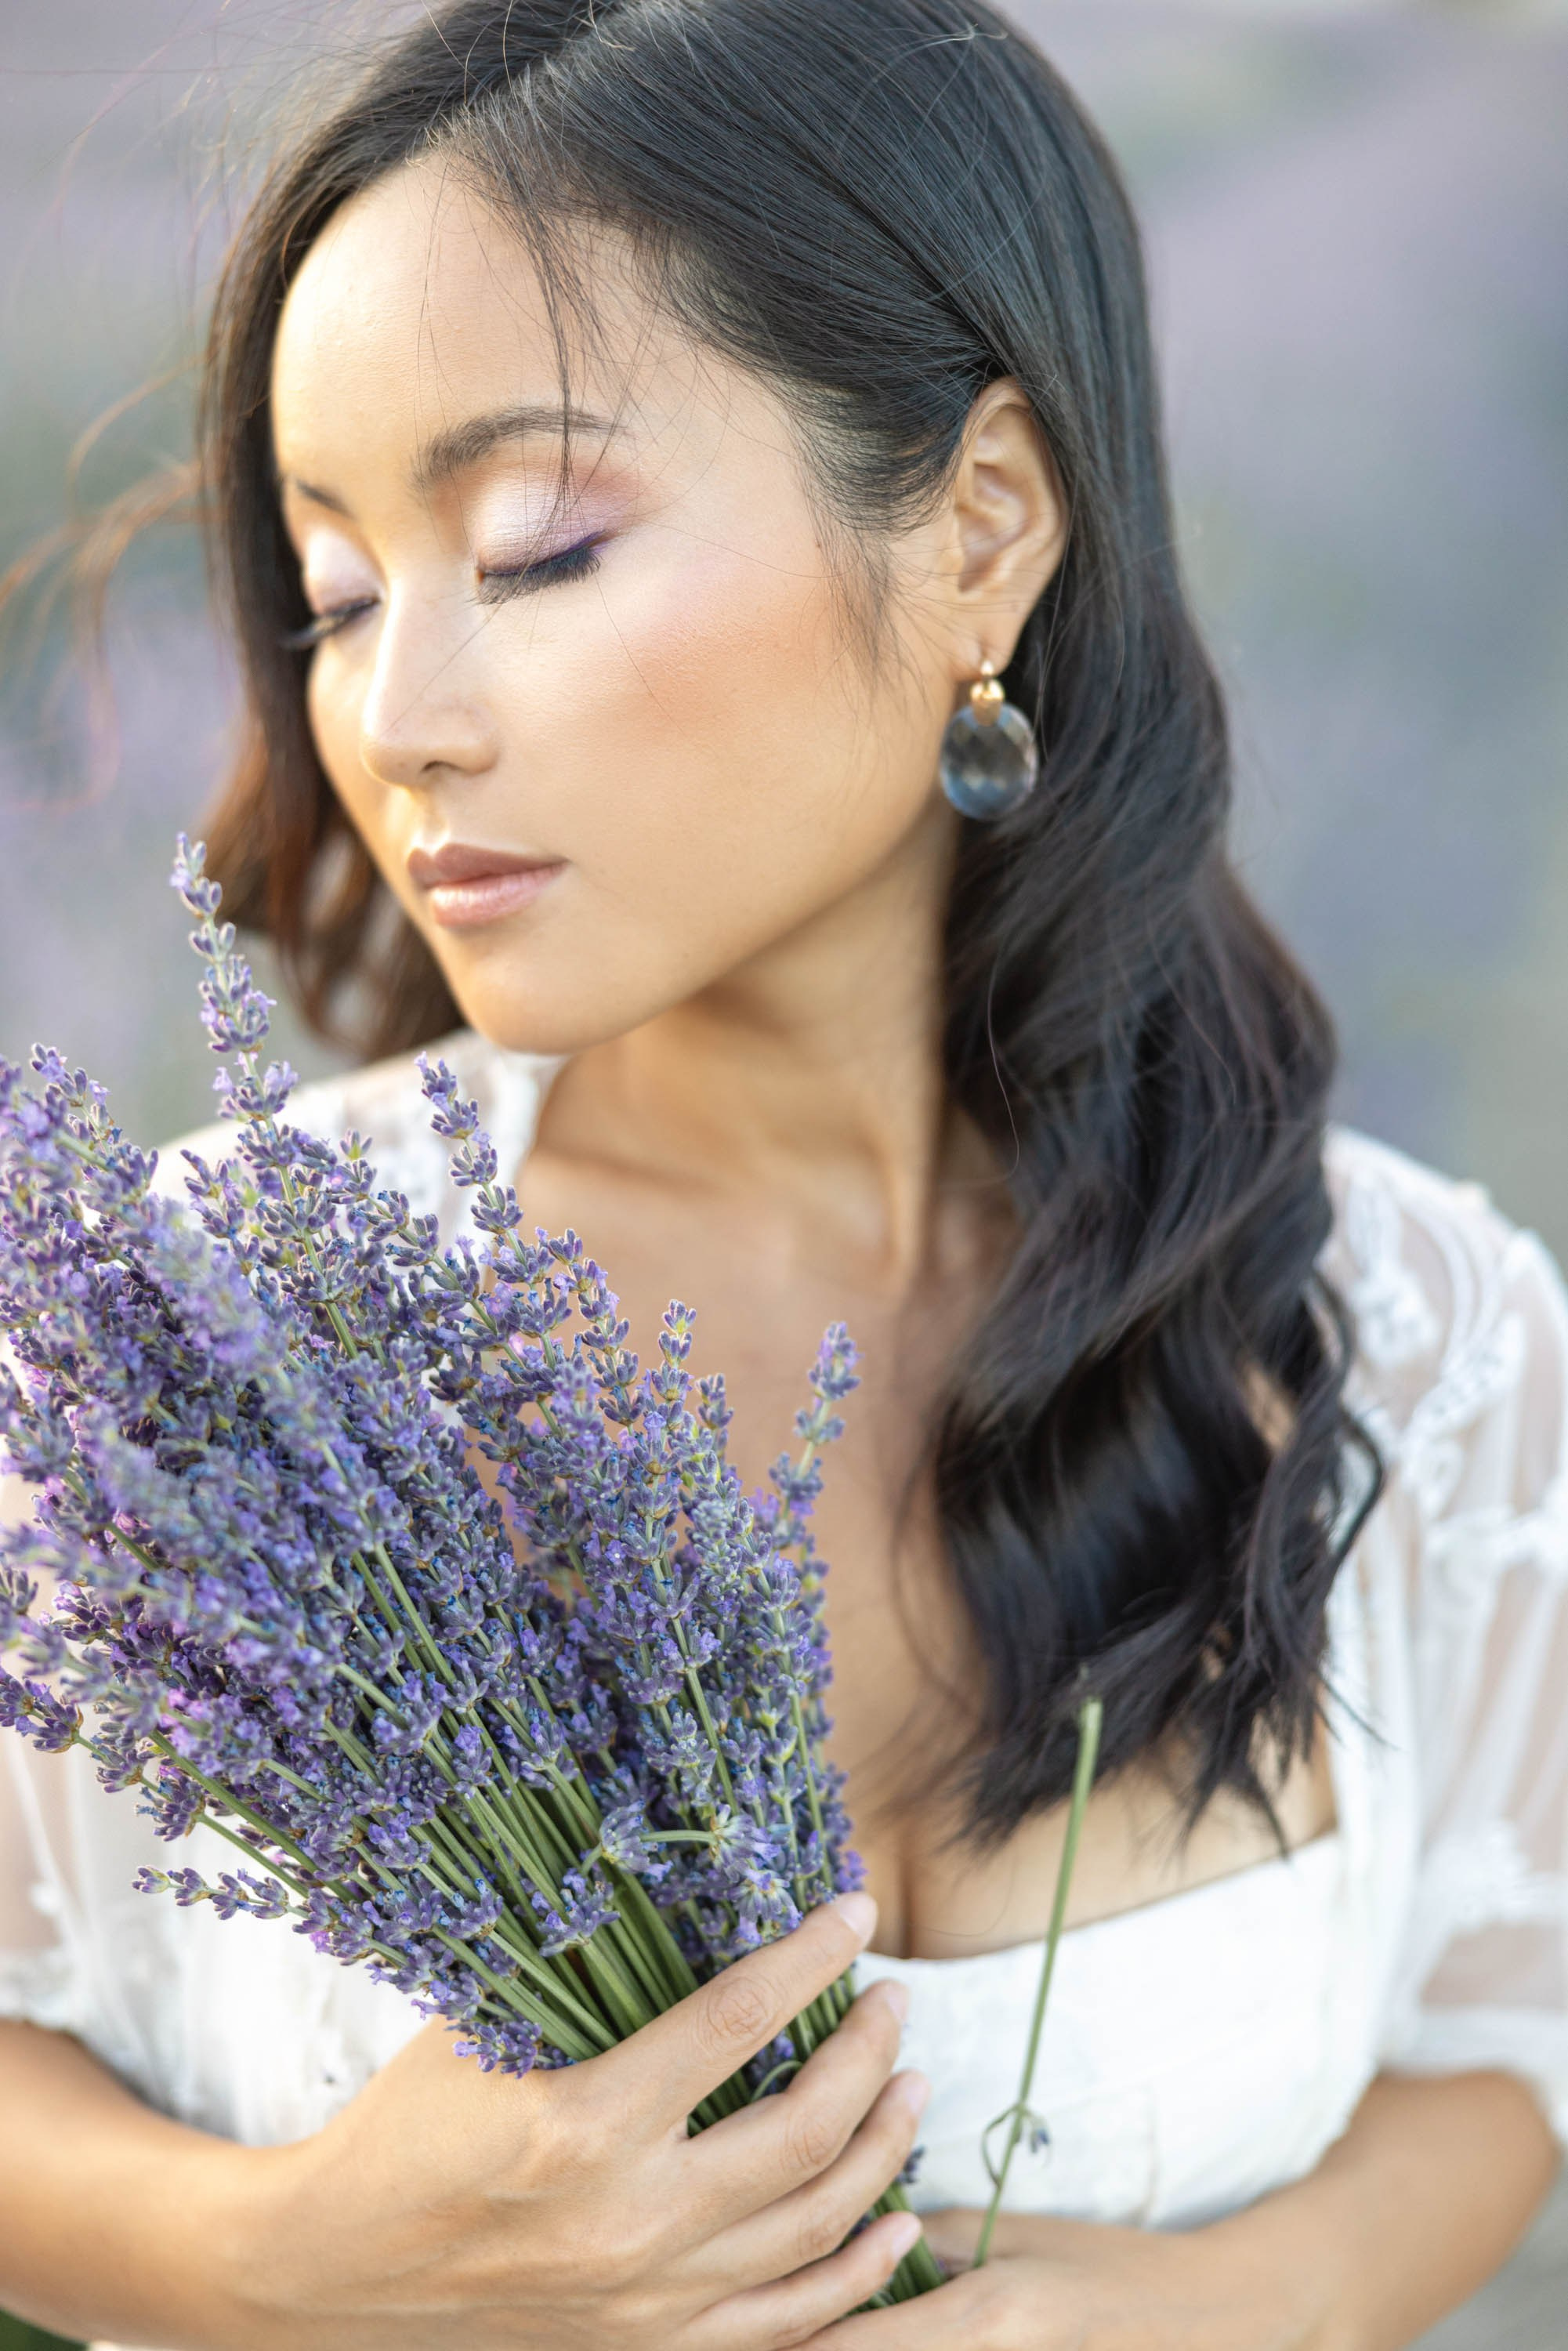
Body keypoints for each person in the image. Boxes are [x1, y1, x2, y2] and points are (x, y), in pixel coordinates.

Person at [2, 3, 1564, 2345]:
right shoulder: (208, 1347)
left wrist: (1250, 2303)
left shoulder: (1415, 1334)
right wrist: (281, 2265)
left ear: (980, 525)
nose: (396, 717)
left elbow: (1501, 2024)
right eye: (335, 592)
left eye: (536, 549)